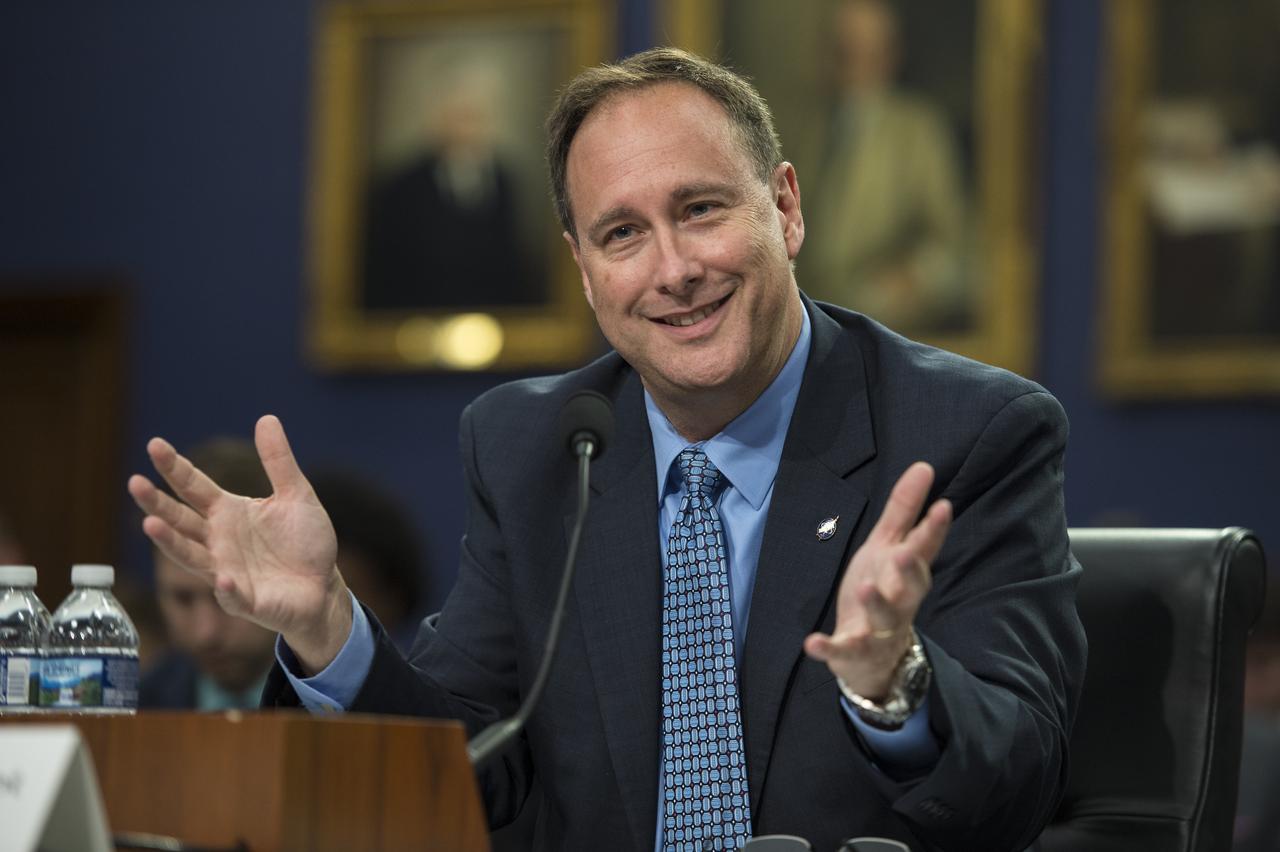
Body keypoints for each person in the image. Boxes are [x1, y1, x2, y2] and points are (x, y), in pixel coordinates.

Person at [128, 48, 1085, 851]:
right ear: (585, 272)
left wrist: (896, 683)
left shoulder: (970, 433)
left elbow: (1022, 783)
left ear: (785, 209)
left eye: (702, 209)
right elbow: (469, 777)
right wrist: (327, 629)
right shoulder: (535, 449)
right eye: (622, 233)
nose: (673, 271)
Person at [803, 0, 970, 333]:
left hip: (884, 327)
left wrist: (907, 279)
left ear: (891, 54)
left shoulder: (919, 131)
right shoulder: (809, 127)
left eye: (870, 51)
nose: (857, 64)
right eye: (846, 50)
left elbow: (955, 247)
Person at [138, 438, 279, 710]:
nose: (206, 633)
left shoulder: (346, 703)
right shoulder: (139, 708)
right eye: (182, 598)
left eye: (228, 596)